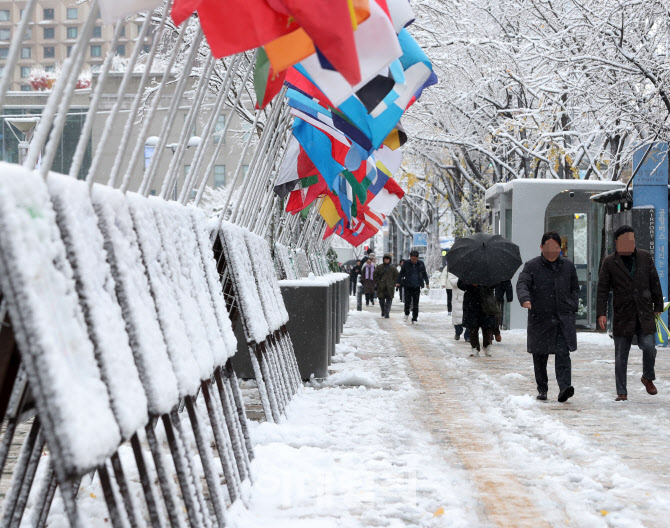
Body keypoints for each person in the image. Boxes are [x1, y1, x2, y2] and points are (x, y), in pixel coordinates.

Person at [596, 225, 663, 401]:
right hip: (622, 313)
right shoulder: (610, 262)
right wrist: (601, 313)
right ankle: (621, 392)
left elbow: (654, 281)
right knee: (621, 354)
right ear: (617, 242)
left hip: (644, 311)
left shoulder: (645, 257)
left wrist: (658, 306)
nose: (630, 243)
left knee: (649, 347)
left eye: (632, 239)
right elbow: (602, 289)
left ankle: (647, 377)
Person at [517, 231, 579, 402]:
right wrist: (525, 299)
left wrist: (572, 304)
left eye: (556, 248)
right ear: (541, 247)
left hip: (562, 319)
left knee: (563, 353)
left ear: (560, 248)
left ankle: (564, 388)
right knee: (540, 355)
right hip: (540, 318)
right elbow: (522, 283)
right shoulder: (532, 266)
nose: (552, 252)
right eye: (548, 248)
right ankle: (542, 388)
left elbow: (575, 288)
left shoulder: (568, 266)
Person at [457, 280, 498, 357]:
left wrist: (483, 283)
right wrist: (471, 284)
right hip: (471, 303)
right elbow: (460, 285)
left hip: (486, 302)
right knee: (473, 327)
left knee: (487, 326)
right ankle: (475, 348)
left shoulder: (488, 271)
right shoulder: (467, 271)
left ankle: (487, 346)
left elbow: (494, 284)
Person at [397, 250, 429, 324]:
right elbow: (401, 273)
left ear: (417, 258)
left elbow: (424, 273)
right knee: (407, 301)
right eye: (412, 259)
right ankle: (406, 313)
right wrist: (398, 282)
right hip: (408, 285)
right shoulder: (406, 263)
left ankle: (414, 318)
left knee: (415, 303)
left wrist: (427, 282)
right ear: (410, 257)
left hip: (417, 285)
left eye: (415, 259)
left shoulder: (421, 264)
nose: (414, 260)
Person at [374, 254, 399, 318]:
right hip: (381, 286)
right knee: (381, 300)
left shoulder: (393, 268)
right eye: (385, 259)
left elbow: (397, 276)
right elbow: (375, 275)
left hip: (390, 287)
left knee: (389, 300)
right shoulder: (379, 267)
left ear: (390, 260)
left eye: (388, 259)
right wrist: (378, 282)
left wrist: (393, 283)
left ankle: (387, 312)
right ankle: (383, 311)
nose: (386, 260)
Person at [449, 272, 470, 342]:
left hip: (469, 296)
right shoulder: (456, 269)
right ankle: (458, 332)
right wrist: (461, 280)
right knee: (458, 317)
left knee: (470, 317)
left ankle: (468, 335)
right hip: (457, 298)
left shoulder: (472, 267)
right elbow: (452, 281)